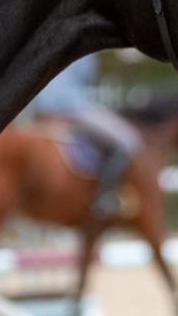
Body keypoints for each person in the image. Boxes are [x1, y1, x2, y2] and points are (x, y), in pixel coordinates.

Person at [29, 53, 140, 216]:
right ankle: (105, 196)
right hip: (71, 108)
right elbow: (88, 79)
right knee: (128, 141)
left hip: (41, 110)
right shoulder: (87, 48)